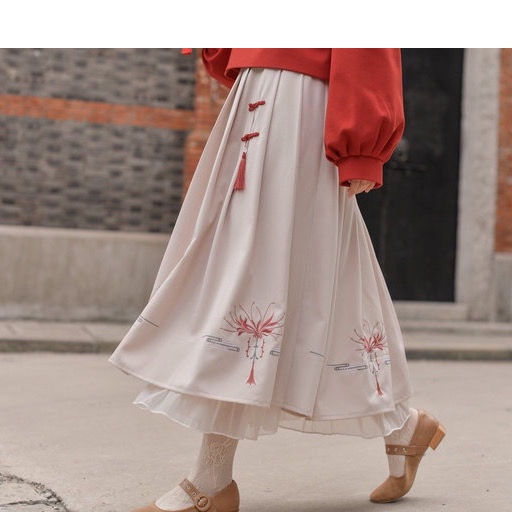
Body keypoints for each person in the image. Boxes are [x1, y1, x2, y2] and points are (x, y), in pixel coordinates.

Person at [109, 48, 445, 512]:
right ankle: (403, 426)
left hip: (299, 107)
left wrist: (363, 143)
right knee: (311, 270)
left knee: (255, 272)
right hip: (262, 97)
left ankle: (211, 481)